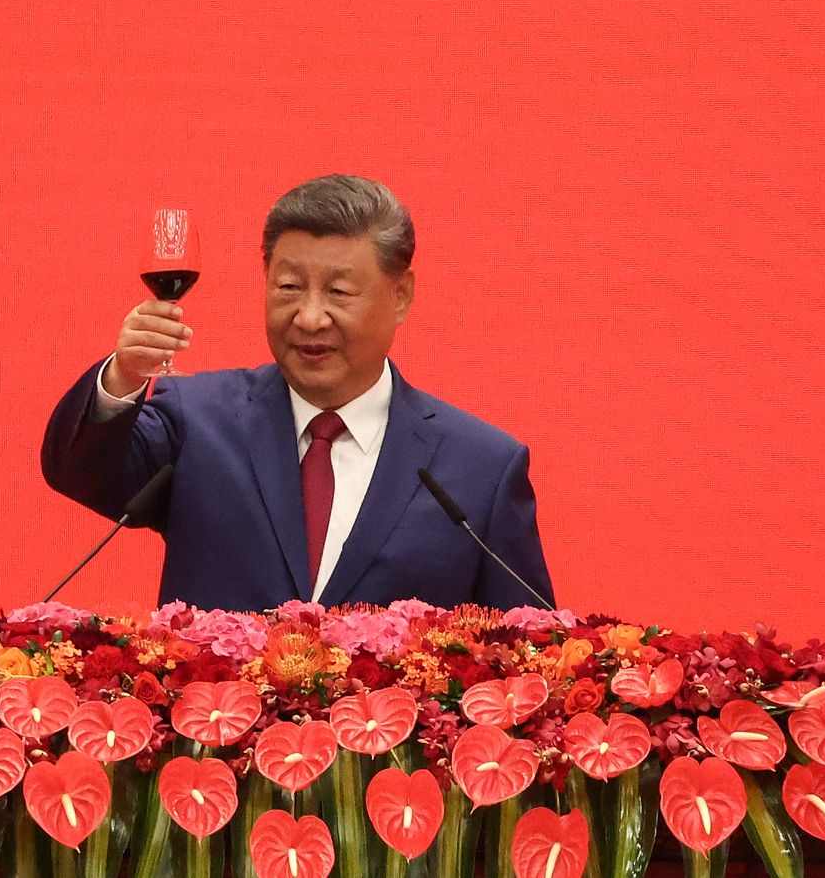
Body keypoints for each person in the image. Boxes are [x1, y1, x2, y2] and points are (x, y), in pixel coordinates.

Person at [41, 175, 555, 610]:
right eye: (288, 287)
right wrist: (125, 377)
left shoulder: (480, 469)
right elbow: (81, 473)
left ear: (401, 296)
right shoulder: (196, 423)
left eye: (338, 292)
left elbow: (529, 651)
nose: (309, 318)